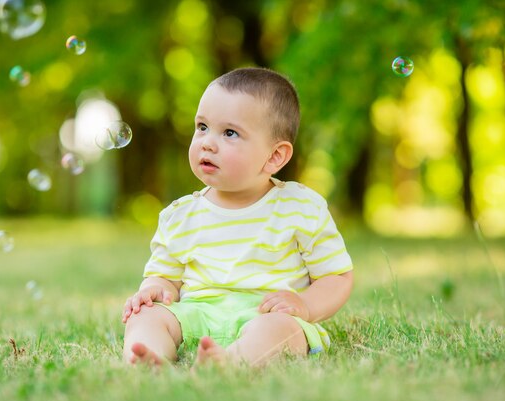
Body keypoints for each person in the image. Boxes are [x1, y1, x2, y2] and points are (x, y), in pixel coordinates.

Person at [121, 67, 353, 367]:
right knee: (146, 316)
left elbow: (336, 276)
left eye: (229, 133)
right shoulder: (179, 215)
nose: (206, 142)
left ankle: (231, 363)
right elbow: (165, 276)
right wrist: (155, 290)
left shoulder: (300, 207)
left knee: (280, 332)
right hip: (198, 313)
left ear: (274, 157)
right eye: (202, 126)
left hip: (266, 314)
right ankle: (148, 356)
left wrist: (304, 305)